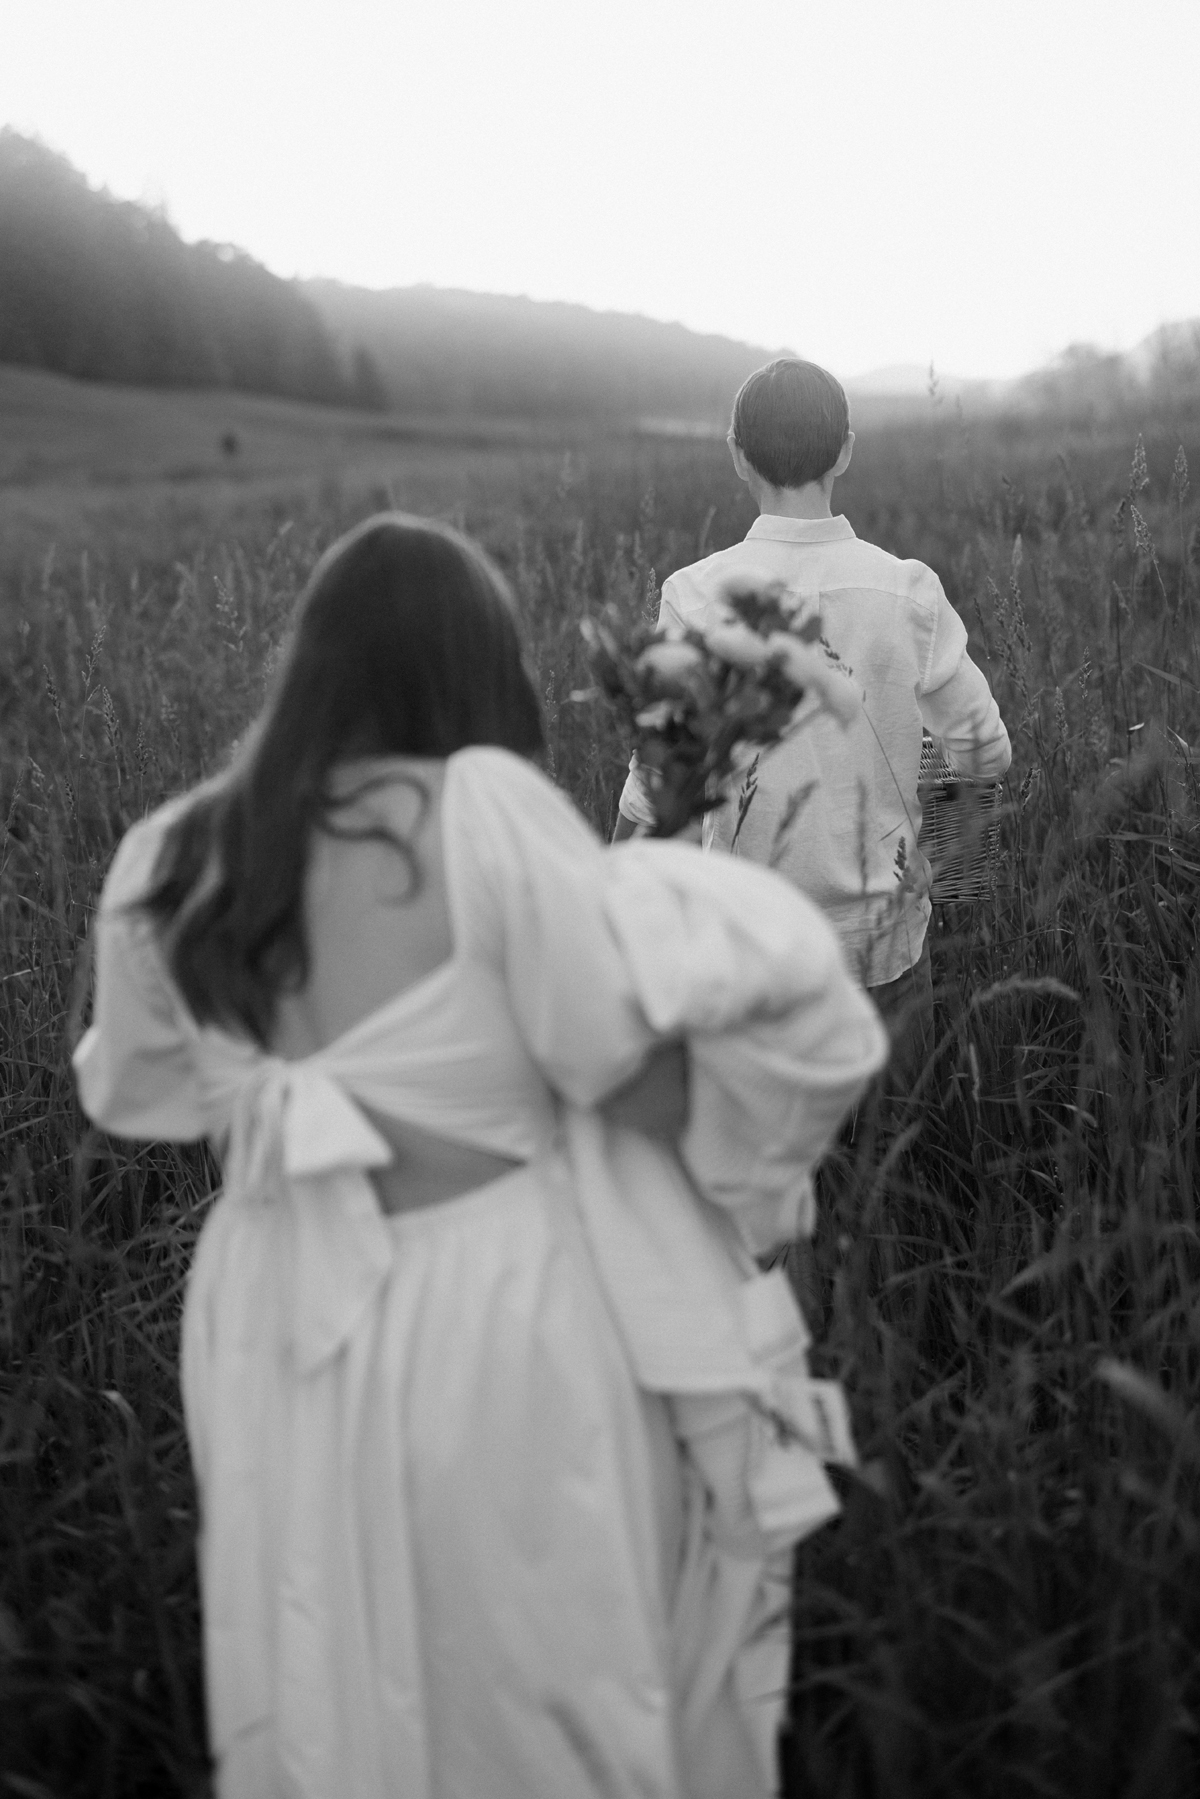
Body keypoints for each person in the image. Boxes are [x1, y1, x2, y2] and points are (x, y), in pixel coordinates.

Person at [73, 513, 887, 1799]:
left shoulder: (173, 854)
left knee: (325, 1637)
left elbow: (138, 1090)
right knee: (534, 1668)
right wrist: (706, 969)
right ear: (476, 667)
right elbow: (618, 1075)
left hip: (276, 1302)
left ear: (311, 663)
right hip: (492, 1306)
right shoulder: (489, 811)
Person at [615, 358, 1012, 1069]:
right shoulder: (906, 592)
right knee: (883, 1165)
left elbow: (656, 789)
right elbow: (985, 747)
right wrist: (935, 866)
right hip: (880, 944)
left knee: (762, 1164)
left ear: (737, 455)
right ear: (847, 449)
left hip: (742, 948)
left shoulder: (697, 597)